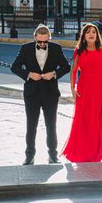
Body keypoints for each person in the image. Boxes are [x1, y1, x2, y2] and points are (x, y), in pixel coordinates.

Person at [11, 24, 71, 165]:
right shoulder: (25, 49)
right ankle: (29, 156)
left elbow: (66, 67)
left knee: (51, 125)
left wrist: (54, 74)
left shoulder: (56, 48)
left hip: (50, 93)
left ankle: (53, 155)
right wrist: (29, 74)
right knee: (31, 125)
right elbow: (15, 67)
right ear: (35, 39)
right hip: (31, 93)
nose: (43, 44)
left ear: (49, 39)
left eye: (45, 41)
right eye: (40, 42)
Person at [61, 23, 102, 162]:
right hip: (85, 89)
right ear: (84, 35)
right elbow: (74, 70)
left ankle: (97, 151)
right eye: (88, 32)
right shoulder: (79, 51)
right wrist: (72, 88)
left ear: (97, 34)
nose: (91, 34)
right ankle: (84, 150)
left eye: (94, 31)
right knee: (85, 120)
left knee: (100, 121)